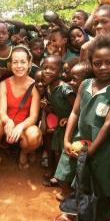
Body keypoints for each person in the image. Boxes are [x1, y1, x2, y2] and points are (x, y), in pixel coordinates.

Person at [53, 35, 110, 221]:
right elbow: (75, 113)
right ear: (90, 63)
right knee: (74, 177)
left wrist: (93, 150)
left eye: (109, 62)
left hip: (102, 147)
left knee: (98, 184)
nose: (103, 67)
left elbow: (108, 123)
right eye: (97, 63)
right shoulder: (85, 84)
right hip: (79, 141)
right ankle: (72, 213)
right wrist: (67, 140)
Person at [0, 45, 42, 169]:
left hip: (24, 127)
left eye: (23, 62)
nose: (19, 66)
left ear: (29, 64)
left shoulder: (34, 86)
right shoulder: (3, 84)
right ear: (10, 65)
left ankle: (24, 152)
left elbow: (33, 116)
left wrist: (20, 126)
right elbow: (2, 111)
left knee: (34, 135)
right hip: (7, 124)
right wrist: (8, 121)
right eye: (15, 62)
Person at [41, 55, 75, 187]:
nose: (48, 71)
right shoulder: (48, 87)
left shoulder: (65, 89)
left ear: (60, 72)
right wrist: (47, 107)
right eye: (45, 68)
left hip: (68, 125)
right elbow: (56, 109)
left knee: (64, 151)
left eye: (52, 69)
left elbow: (77, 108)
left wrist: (68, 118)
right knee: (56, 149)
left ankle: (62, 180)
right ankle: (57, 175)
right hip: (59, 123)